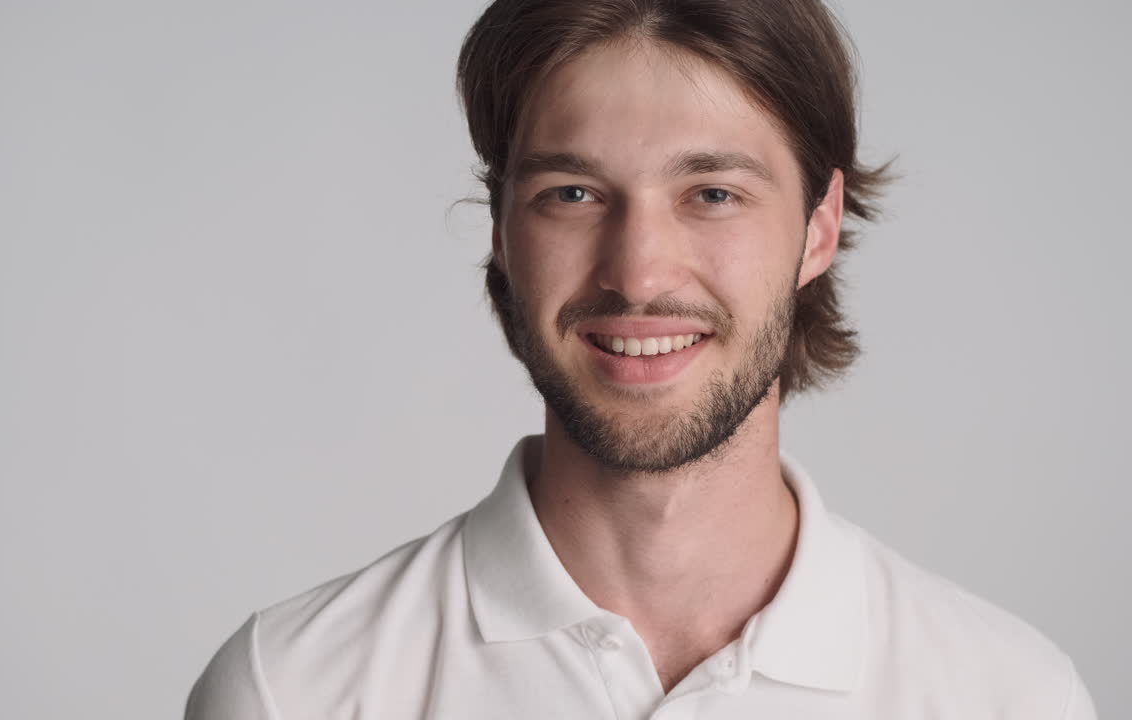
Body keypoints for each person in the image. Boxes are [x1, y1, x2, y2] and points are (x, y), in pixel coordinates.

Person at [185, 0, 1098, 717]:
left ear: (819, 226)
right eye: (572, 192)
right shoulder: (292, 693)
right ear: (502, 225)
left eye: (712, 193)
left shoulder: (1008, 698)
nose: (638, 273)